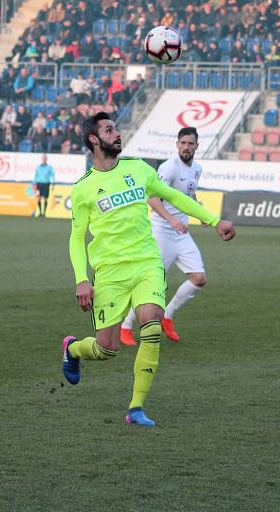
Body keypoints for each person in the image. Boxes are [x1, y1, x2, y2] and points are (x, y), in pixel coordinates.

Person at [61, 112, 235, 427]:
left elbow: (175, 197)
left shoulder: (138, 169)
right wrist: (82, 280)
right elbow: (76, 238)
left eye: (116, 128)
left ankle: (136, 407)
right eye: (109, 130)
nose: (117, 134)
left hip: (146, 263)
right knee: (106, 349)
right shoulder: (84, 188)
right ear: (93, 139)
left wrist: (214, 221)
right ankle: (73, 349)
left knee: (151, 326)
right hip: (110, 272)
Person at [119, 126, 207, 346]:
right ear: (177, 144)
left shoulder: (197, 168)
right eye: (183, 143)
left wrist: (200, 212)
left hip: (182, 233)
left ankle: (167, 317)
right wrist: (171, 219)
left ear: (197, 146)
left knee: (199, 279)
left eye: (191, 143)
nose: (186, 147)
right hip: (162, 233)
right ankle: (126, 327)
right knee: (152, 284)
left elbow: (189, 193)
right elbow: (152, 198)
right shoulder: (168, 168)